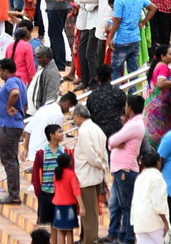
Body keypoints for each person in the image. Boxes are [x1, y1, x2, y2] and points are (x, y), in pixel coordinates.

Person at [107, 94, 146, 244]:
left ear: (129, 107)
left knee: (126, 206)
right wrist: (114, 143)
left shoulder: (134, 125)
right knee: (116, 204)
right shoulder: (132, 123)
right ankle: (115, 234)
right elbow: (113, 142)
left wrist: (114, 143)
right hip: (120, 169)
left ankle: (127, 238)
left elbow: (112, 140)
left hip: (126, 170)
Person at [0, 58, 27, 204]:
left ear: (6, 71)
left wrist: (8, 107)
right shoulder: (20, 81)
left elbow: (14, 93)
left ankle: (14, 194)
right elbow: (24, 105)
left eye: (0, 70)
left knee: (8, 160)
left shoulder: (12, 82)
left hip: (8, 126)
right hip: (14, 125)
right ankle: (14, 192)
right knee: (12, 160)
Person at [71, 104, 107, 244]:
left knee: (89, 214)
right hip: (96, 176)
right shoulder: (97, 129)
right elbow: (103, 153)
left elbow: (91, 156)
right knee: (90, 212)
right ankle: (85, 238)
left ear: (79, 116)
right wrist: (103, 168)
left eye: (74, 116)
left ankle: (90, 240)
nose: (73, 120)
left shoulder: (85, 131)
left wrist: (100, 165)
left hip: (87, 176)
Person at [130, 150, 170, 244]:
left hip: (139, 222)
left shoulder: (140, 177)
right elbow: (158, 205)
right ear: (158, 162)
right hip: (154, 223)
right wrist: (165, 223)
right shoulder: (157, 179)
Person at [50, 151, 82, 244]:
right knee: (69, 230)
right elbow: (76, 190)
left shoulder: (56, 174)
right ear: (69, 162)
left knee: (60, 230)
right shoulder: (71, 174)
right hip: (69, 205)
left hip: (58, 205)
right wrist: (81, 205)